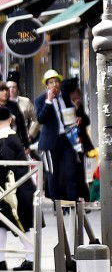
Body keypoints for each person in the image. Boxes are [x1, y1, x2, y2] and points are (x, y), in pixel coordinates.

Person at [0, 106, 36, 272]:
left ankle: (31, 259)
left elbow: (5, 167)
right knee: (0, 223)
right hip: (12, 189)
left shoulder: (4, 139)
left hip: (11, 190)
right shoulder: (10, 137)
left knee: (20, 224)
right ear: (11, 120)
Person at [35, 70, 88, 201]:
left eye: (56, 81)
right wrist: (48, 101)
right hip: (50, 142)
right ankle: (57, 205)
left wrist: (76, 119)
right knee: (53, 174)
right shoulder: (40, 100)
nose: (54, 84)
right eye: (51, 82)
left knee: (71, 171)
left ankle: (72, 203)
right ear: (47, 85)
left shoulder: (64, 96)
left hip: (66, 139)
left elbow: (70, 115)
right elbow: (41, 119)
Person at [0, 81, 27, 145]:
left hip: (14, 141)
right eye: (2, 90)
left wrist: (26, 144)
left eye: (6, 90)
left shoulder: (13, 105)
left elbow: (21, 125)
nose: (5, 92)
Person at [7, 78, 39, 143]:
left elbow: (35, 119)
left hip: (23, 137)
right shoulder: (1, 103)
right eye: (9, 87)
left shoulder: (26, 101)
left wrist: (30, 135)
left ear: (17, 89)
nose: (11, 89)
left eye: (14, 87)